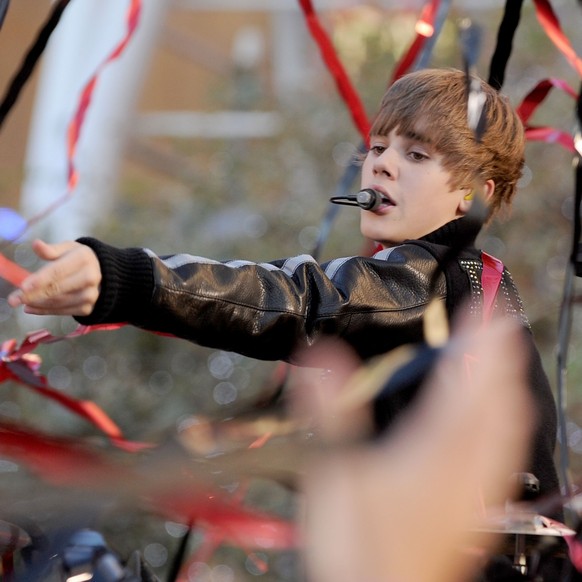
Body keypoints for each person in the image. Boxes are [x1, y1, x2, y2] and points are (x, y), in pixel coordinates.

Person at [7, 67, 559, 506]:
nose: (382, 166)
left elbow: (298, 300)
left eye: (415, 155)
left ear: (474, 195)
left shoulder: (422, 279)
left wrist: (124, 277)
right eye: (377, 147)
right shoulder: (475, 280)